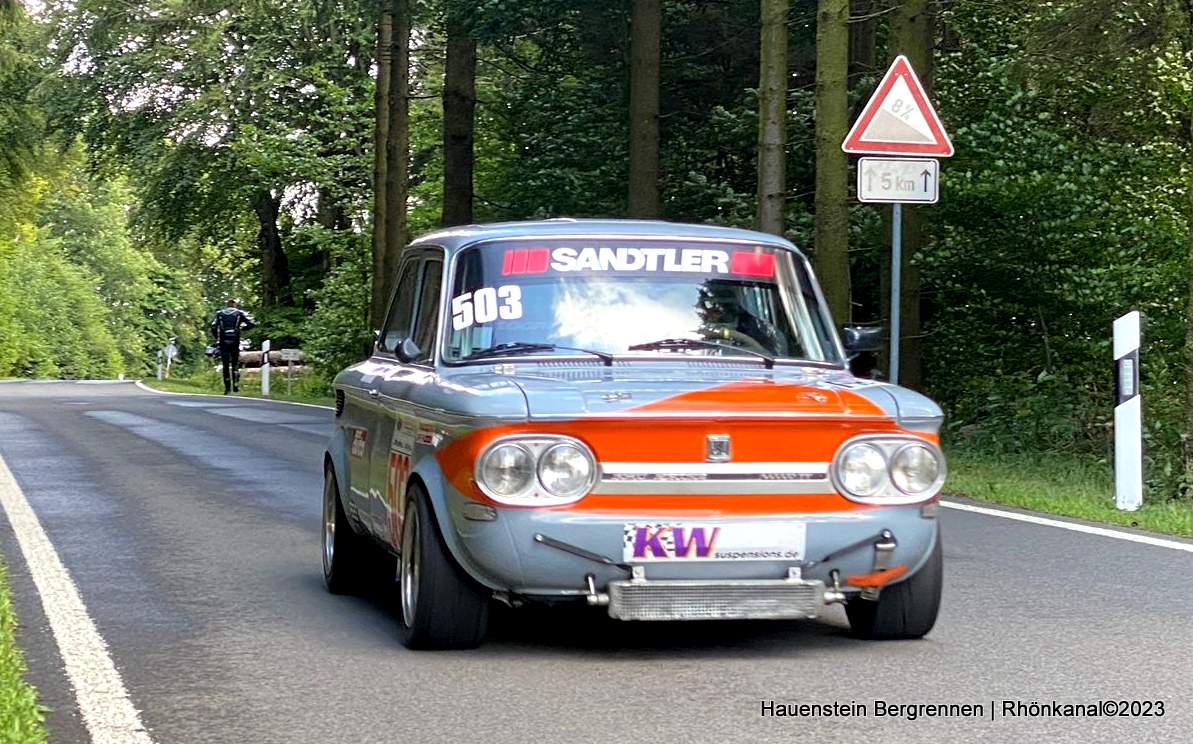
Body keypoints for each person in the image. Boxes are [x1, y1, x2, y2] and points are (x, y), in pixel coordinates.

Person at [209, 299, 256, 394]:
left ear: (227, 305)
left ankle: (227, 388)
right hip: (235, 339)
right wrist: (241, 328)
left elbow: (213, 327)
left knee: (225, 364)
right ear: (235, 305)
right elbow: (251, 324)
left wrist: (217, 338)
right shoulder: (239, 313)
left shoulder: (220, 313)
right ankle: (236, 385)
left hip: (223, 340)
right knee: (235, 363)